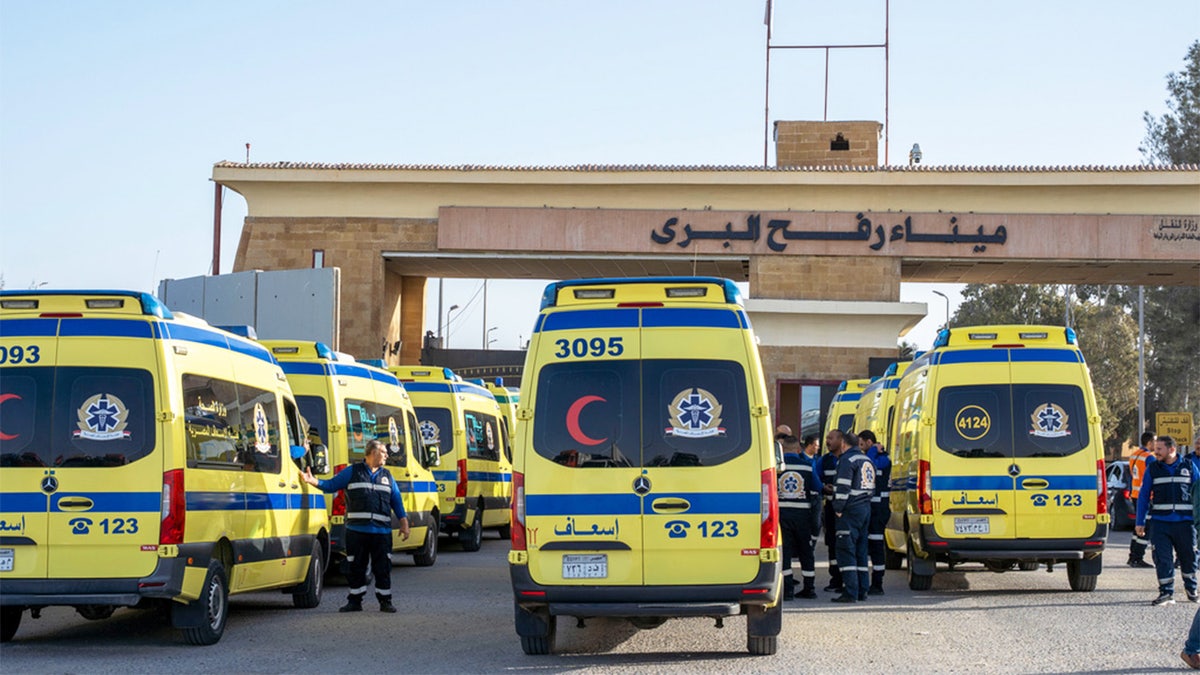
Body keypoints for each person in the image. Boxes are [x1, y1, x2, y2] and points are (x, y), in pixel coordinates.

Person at [302, 438, 410, 613]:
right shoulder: (352, 472)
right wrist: (313, 481)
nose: (387, 455)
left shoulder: (387, 476)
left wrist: (404, 523)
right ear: (373, 453)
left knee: (383, 567)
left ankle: (385, 601)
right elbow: (331, 485)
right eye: (384, 452)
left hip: (381, 532)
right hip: (357, 531)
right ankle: (355, 601)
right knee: (356, 567)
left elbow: (396, 500)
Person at [1135, 435, 1198, 606]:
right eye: (1155, 449)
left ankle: (1192, 590)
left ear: (1171, 449)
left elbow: (1198, 493)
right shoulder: (1153, 468)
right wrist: (1139, 521)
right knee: (1162, 558)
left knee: (1189, 556)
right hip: (1160, 522)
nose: (1156, 452)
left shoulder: (1189, 466)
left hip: (1186, 523)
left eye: (1159, 449)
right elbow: (1143, 496)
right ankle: (1166, 592)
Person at [777, 435, 822, 600]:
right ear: (798, 450)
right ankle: (809, 588)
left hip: (782, 516)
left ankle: (788, 590)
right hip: (803, 516)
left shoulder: (776, 467)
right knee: (806, 552)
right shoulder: (807, 466)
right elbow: (817, 488)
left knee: (786, 552)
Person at [832, 431, 873, 603]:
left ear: (843, 444)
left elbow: (843, 486)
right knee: (861, 551)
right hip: (865, 508)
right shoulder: (867, 460)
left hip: (850, 510)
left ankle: (850, 592)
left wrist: (838, 508)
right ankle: (863, 590)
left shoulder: (847, 460)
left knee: (846, 550)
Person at [859, 429, 891, 595]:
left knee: (877, 546)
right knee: (869, 545)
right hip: (872, 508)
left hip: (879, 510)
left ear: (869, 442)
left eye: (862, 443)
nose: (860, 446)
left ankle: (878, 583)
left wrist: (872, 451)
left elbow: (868, 466)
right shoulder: (875, 456)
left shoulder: (883, 459)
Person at [820, 430, 848, 593]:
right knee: (832, 543)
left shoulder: (848, 459)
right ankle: (835, 579)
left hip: (846, 509)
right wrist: (823, 487)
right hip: (831, 508)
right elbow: (816, 479)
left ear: (841, 440)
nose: (827, 441)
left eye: (831, 438)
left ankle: (848, 579)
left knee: (846, 543)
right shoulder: (825, 461)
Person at [1128, 431, 1156, 568]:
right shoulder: (1149, 458)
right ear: (1150, 442)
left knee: (1137, 527)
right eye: (1155, 442)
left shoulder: (1134, 455)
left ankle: (1132, 556)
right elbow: (1155, 477)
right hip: (1146, 496)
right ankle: (1137, 557)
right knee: (1146, 528)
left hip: (1135, 494)